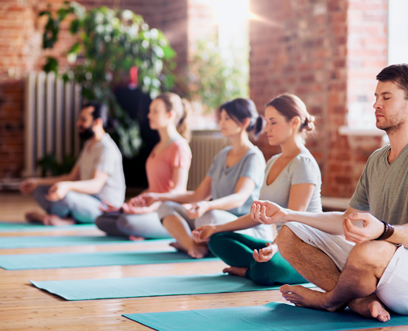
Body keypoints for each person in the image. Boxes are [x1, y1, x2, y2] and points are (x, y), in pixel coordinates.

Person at [252, 64, 408, 322]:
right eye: (375, 97)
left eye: (386, 97)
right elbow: (346, 220)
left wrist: (382, 230)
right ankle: (360, 301)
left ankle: (329, 300)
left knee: (369, 250)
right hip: (379, 264)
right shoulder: (377, 159)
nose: (376, 105)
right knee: (289, 233)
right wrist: (287, 215)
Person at [192, 93, 322, 286]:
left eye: (273, 122)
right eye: (267, 122)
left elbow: (293, 221)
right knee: (218, 240)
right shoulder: (273, 162)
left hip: (306, 250)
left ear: (294, 122)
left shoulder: (303, 163)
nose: (267, 128)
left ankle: (250, 271)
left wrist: (276, 247)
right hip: (279, 246)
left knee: (267, 268)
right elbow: (257, 214)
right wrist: (216, 228)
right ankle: (256, 266)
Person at [141, 98, 267, 258]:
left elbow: (239, 198)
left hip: (242, 224)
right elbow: (198, 195)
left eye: (227, 118)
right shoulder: (222, 155)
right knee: (166, 207)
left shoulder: (253, 156)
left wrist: (207, 206)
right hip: (216, 220)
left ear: (244, 122)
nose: (221, 122)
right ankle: (192, 245)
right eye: (221, 118)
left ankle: (193, 242)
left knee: (207, 216)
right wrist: (158, 197)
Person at [95, 93, 192, 239]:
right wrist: (127, 205)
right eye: (150, 110)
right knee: (102, 220)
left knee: (127, 222)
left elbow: (179, 191)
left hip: (168, 213)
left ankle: (151, 229)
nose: (149, 115)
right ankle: (142, 228)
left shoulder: (179, 147)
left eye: (155, 111)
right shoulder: (158, 147)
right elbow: (153, 189)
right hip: (152, 209)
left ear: (170, 115)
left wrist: (148, 210)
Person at [19, 101, 126, 226]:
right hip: (84, 199)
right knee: (39, 190)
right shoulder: (89, 145)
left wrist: (67, 187)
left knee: (67, 197)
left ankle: (57, 218)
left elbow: (95, 185)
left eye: (83, 120)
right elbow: (72, 177)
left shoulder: (107, 149)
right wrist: (37, 181)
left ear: (97, 122)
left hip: (103, 208)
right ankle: (65, 219)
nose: (78, 123)